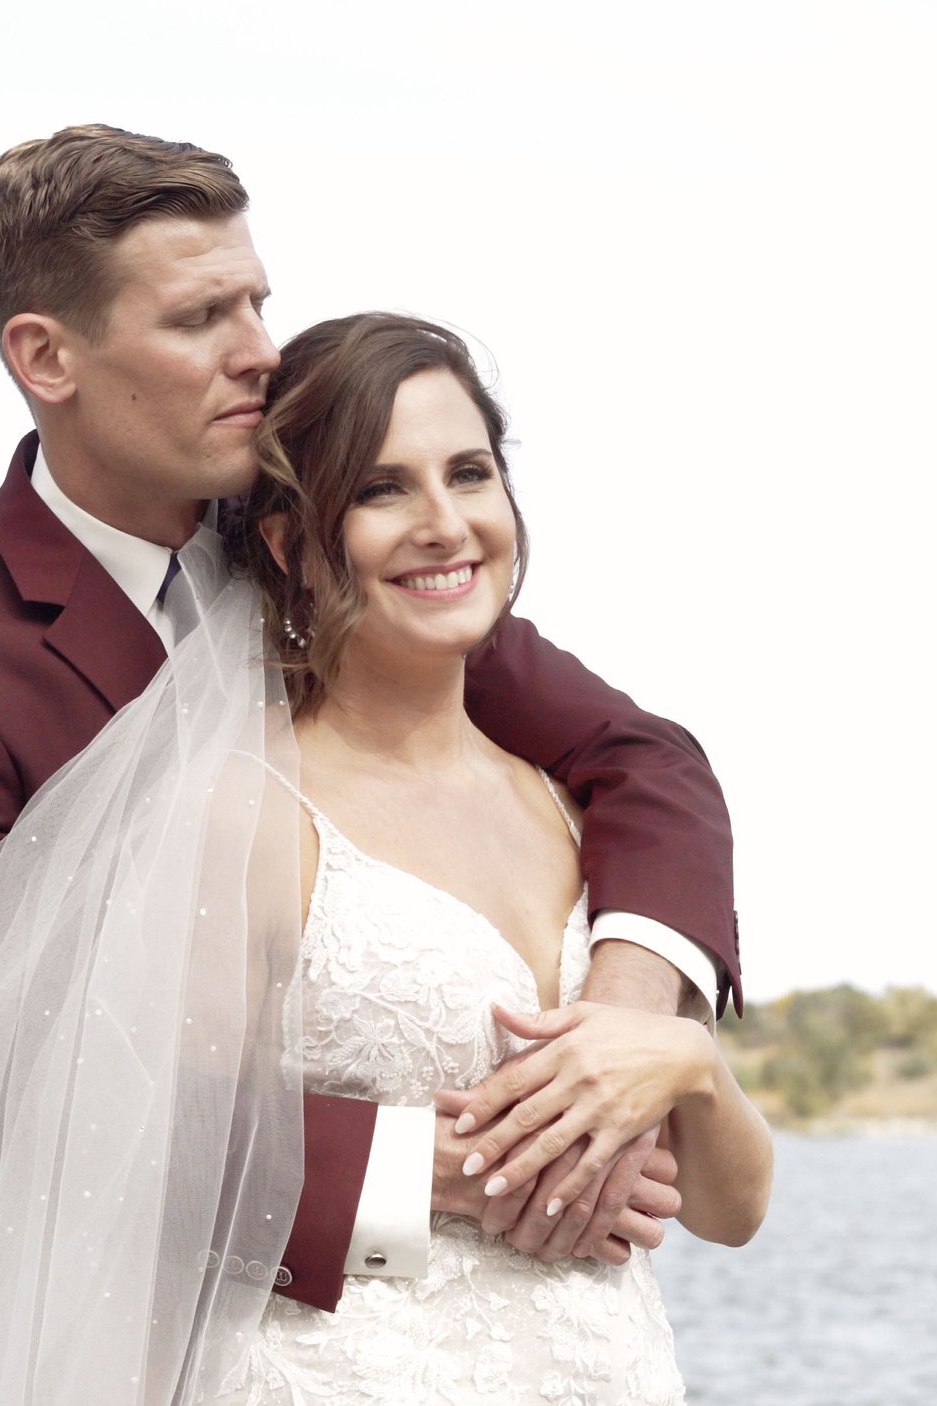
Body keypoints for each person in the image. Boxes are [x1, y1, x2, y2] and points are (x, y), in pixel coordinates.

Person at [0, 123, 740, 1334]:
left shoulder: (329, 537)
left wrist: (618, 1023)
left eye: (259, 302)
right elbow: (17, 1083)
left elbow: (641, 756)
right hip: (174, 1334)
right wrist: (476, 1168)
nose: (260, 353)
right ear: (46, 355)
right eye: (202, 320)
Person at [224, 312, 774, 1400]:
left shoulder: (576, 805)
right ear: (292, 543)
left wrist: (688, 1065)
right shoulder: (251, 815)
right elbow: (159, 1163)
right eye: (382, 490)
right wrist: (468, 1176)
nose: (445, 523)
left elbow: (729, 1208)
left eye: (468, 473)